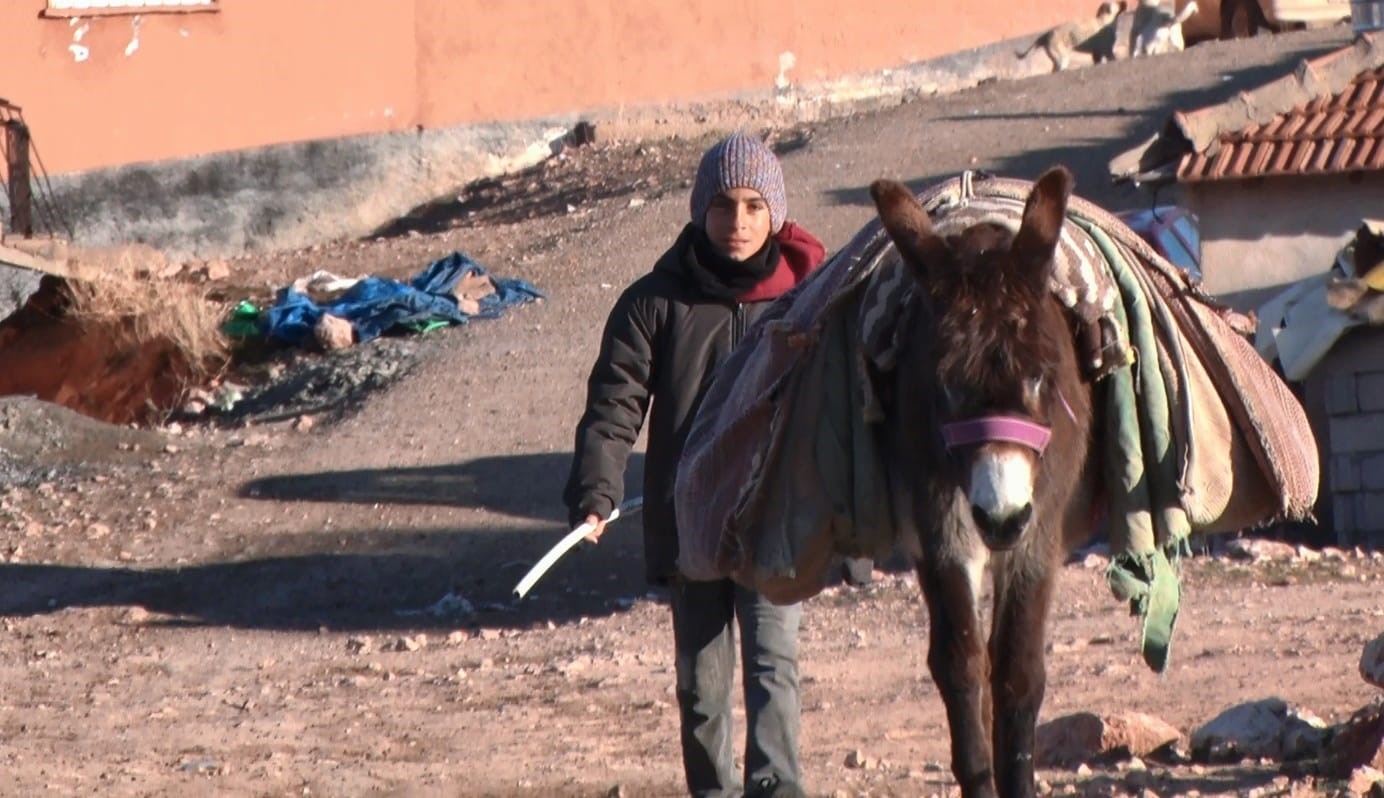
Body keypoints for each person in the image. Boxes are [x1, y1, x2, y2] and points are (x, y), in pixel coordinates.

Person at [563, 131, 825, 798]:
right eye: (723, 206)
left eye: (753, 207)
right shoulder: (654, 302)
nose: (737, 223)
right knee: (702, 688)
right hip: (695, 519)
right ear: (699, 210)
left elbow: (852, 404)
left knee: (774, 670)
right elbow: (615, 403)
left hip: (777, 514)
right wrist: (597, 490)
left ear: (775, 214)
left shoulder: (811, 299)